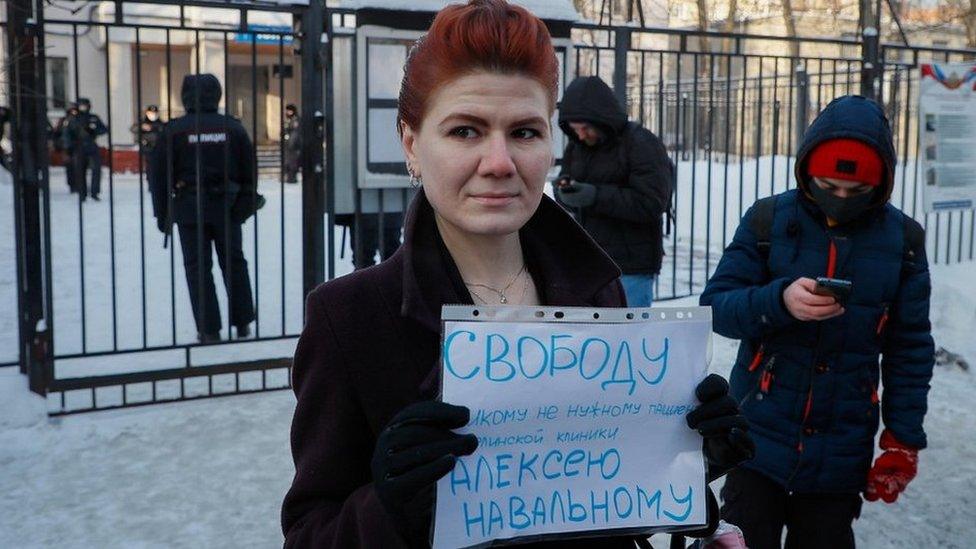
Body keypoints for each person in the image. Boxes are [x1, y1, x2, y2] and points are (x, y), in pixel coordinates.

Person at [281, 2, 753, 547]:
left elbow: (606, 501)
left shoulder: (598, 290)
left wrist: (684, 459)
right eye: (465, 131)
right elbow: (310, 535)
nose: (500, 162)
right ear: (412, 143)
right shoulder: (351, 318)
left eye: (525, 132)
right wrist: (389, 504)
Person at [700, 95, 934, 549]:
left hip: (840, 451)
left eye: (857, 192)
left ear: (881, 184)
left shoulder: (903, 241)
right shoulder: (768, 220)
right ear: (807, 171)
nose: (840, 201)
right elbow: (717, 308)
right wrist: (779, 300)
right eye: (828, 185)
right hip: (756, 441)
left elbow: (910, 348)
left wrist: (903, 438)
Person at [149, 74, 257, 343]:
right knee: (234, 263)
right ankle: (243, 323)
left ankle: (209, 330)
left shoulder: (174, 130)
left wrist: (162, 214)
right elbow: (249, 172)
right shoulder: (233, 127)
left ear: (185, 95)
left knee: (197, 268)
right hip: (227, 208)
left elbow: (158, 177)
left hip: (189, 208)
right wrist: (242, 208)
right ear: (217, 94)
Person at [554, 76, 673, 307]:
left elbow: (651, 202)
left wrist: (594, 196)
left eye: (586, 128)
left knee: (627, 337)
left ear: (602, 120)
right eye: (575, 129)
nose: (581, 135)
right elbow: (568, 186)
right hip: (589, 262)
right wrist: (565, 192)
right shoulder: (578, 146)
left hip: (630, 267)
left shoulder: (641, 143)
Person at [63, 98, 108, 200]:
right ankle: (82, 193)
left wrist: (94, 130)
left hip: (92, 145)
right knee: (80, 171)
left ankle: (94, 192)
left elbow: (104, 129)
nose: (83, 107)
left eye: (85, 105)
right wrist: (68, 148)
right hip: (78, 146)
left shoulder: (93, 118)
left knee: (96, 169)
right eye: (81, 105)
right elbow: (66, 133)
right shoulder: (73, 119)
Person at [335, 212, 404, 270]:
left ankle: (364, 283)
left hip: (362, 214)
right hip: (390, 212)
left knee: (364, 259)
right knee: (391, 257)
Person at [52, 102, 80, 194]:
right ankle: (72, 185)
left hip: (77, 146)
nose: (73, 112)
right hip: (66, 147)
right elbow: (56, 133)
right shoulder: (63, 120)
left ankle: (78, 185)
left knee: (78, 166)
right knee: (70, 167)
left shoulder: (79, 120)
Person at [131, 105, 164, 177]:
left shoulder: (160, 123)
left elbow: (164, 130)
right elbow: (133, 129)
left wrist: (154, 128)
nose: (152, 115)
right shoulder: (143, 122)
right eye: (150, 113)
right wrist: (142, 127)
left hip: (158, 148)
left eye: (154, 113)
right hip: (146, 148)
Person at [282, 103, 300, 183]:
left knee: (292, 162)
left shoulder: (295, 120)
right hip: (288, 145)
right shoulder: (288, 120)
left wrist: (291, 144)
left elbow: (295, 133)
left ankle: (292, 178)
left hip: (293, 146)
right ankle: (288, 177)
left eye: (289, 110)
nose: (287, 112)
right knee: (288, 162)